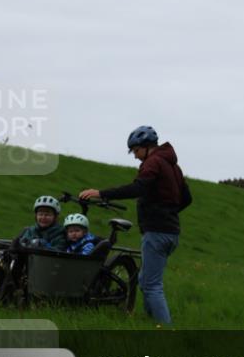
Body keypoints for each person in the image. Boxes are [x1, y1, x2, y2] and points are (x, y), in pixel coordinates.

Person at [80, 126, 191, 325]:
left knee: (152, 286)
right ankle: (151, 323)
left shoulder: (153, 162)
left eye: (136, 151)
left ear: (146, 147)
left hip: (157, 232)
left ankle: (166, 330)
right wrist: (168, 212)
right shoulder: (173, 166)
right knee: (145, 281)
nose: (135, 156)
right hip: (171, 232)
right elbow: (187, 198)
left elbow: (138, 188)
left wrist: (101, 193)